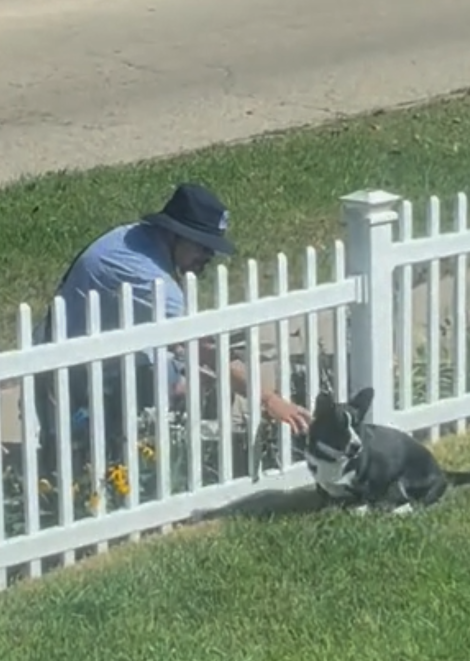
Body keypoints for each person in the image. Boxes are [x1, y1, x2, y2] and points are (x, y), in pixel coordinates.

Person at [31, 183, 311, 473]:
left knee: (197, 380)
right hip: (72, 380)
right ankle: (156, 463)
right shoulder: (150, 277)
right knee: (194, 386)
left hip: (94, 359)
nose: (207, 258)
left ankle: (148, 454)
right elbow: (205, 349)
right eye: (202, 246)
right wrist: (270, 399)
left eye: (212, 249)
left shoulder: (138, 238)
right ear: (175, 234)